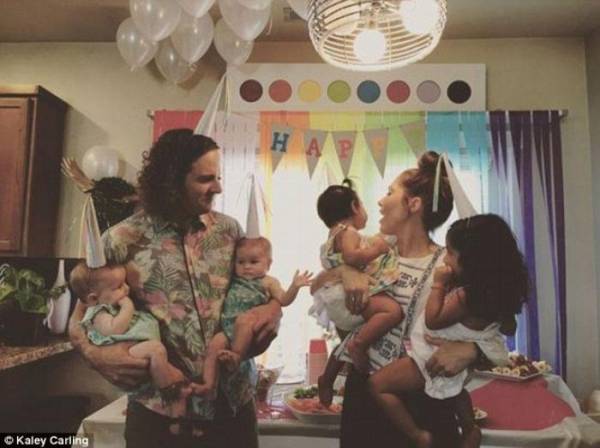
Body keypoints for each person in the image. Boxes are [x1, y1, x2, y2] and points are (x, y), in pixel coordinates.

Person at [68, 129, 281, 448]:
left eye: (218, 177)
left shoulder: (230, 231)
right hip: (159, 415)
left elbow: (256, 289)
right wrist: (94, 354)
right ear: (171, 181)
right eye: (205, 179)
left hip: (232, 408)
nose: (218, 187)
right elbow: (80, 317)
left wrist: (273, 311)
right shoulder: (120, 240)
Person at [311, 151, 508, 448]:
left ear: (413, 205)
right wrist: (344, 271)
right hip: (364, 400)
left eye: (390, 192)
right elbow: (324, 299)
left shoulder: (450, 265)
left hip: (425, 403)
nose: (380, 201)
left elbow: (500, 326)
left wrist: (471, 350)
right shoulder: (368, 256)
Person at [368, 214, 529, 448]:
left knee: (377, 385)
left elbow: (433, 320)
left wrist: (438, 284)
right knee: (455, 391)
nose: (445, 257)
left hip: (430, 357)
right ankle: (470, 428)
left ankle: (418, 435)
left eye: (451, 253)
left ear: (472, 262)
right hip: (449, 363)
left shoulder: (466, 296)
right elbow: (508, 327)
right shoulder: (492, 294)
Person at [69, 262, 195, 435]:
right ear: (93, 298)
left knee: (176, 375)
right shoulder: (98, 312)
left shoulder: (110, 303)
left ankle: (179, 414)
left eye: (125, 283)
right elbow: (114, 329)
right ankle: (171, 398)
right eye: (119, 287)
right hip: (130, 350)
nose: (127, 289)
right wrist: (127, 307)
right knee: (156, 351)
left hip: (137, 347)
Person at [314, 179, 402, 405]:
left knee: (347, 339)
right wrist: (377, 249)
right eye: (362, 204)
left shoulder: (333, 235)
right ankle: (359, 345)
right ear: (354, 206)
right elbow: (352, 257)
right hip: (344, 295)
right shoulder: (348, 232)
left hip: (334, 297)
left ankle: (327, 378)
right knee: (392, 311)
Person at [198, 236, 313, 396]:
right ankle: (208, 384)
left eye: (253, 262)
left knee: (244, 321)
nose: (246, 267)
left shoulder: (268, 282)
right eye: (241, 262)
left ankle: (236, 356)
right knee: (214, 346)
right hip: (227, 328)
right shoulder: (234, 279)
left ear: (268, 264)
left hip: (249, 325)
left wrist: (295, 287)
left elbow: (284, 300)